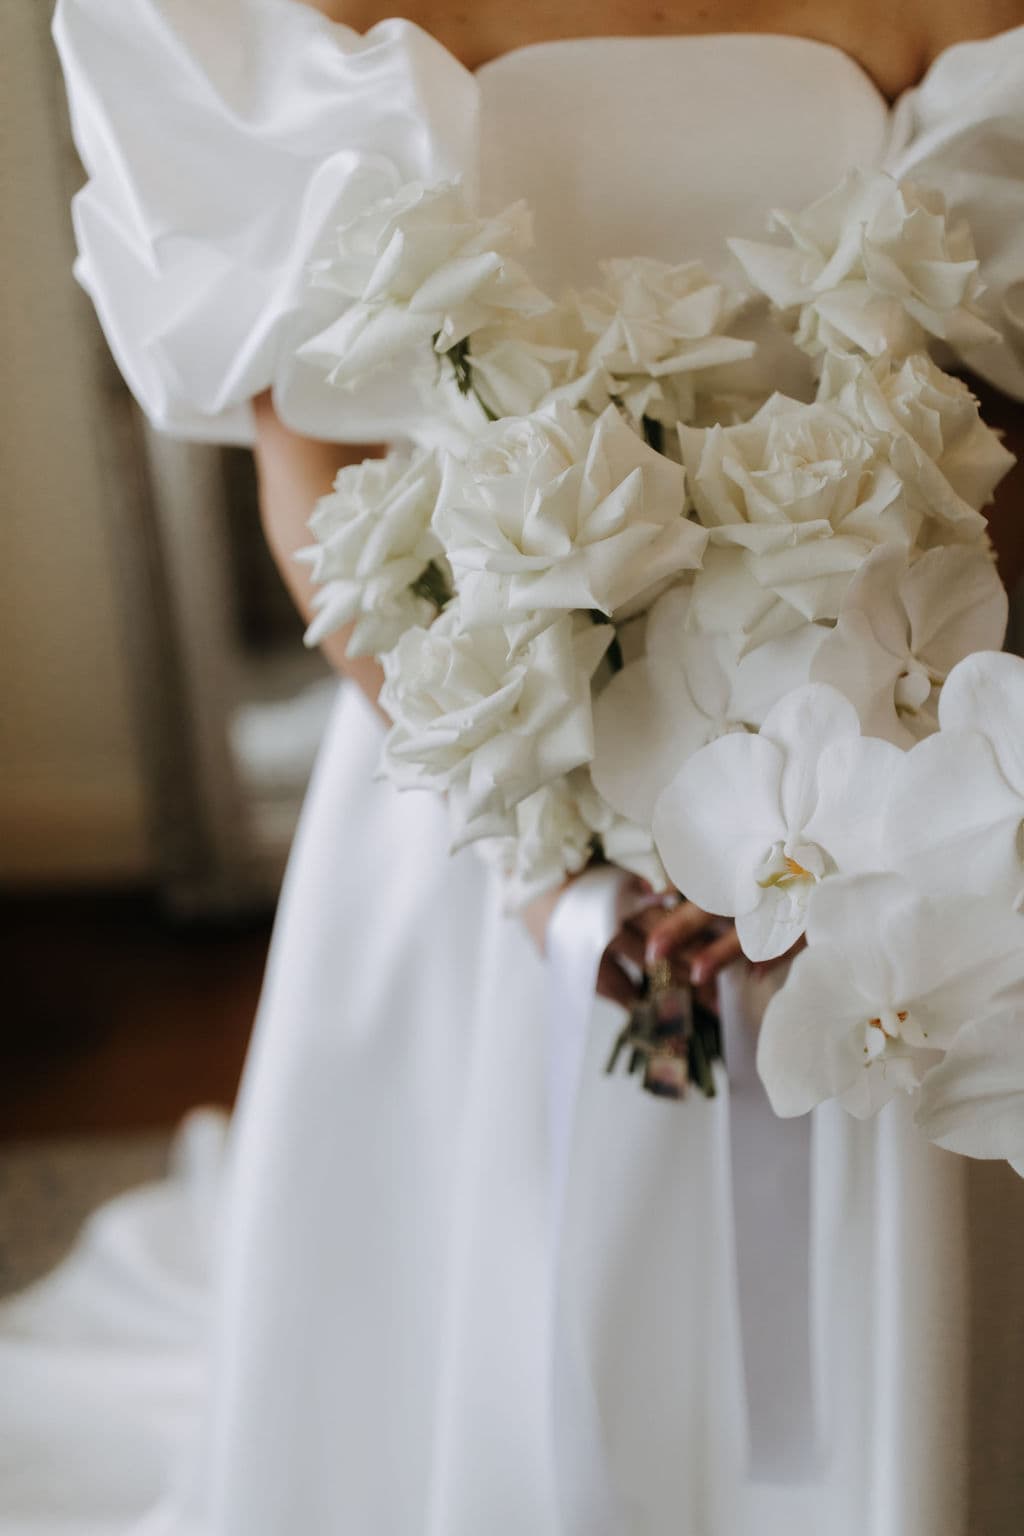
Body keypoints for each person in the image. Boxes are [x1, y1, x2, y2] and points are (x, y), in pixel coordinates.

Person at [2, 2, 1023, 1533]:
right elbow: (318, 472)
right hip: (481, 789)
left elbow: (1002, 416)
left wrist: (885, 777)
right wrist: (559, 823)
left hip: (884, 804)